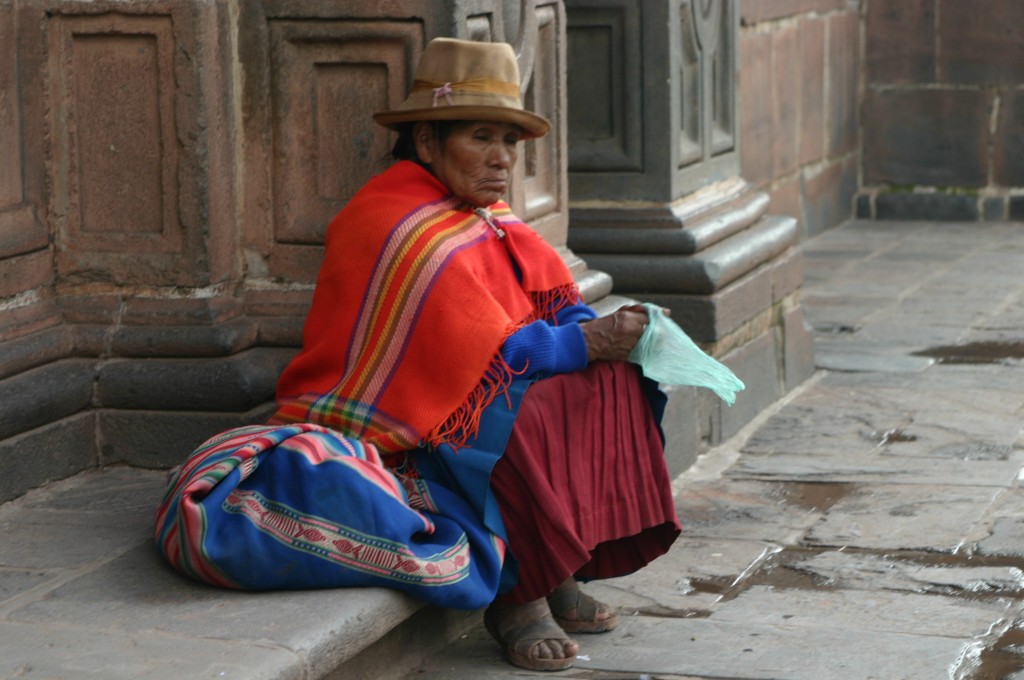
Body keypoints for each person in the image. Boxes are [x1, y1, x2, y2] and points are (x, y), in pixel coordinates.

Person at [156, 37, 680, 673]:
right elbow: (481, 357)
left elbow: (549, 304)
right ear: (428, 141)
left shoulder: (485, 215)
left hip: (469, 394)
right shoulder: (391, 222)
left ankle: (561, 562)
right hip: (408, 423)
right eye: (481, 137)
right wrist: (586, 341)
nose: (502, 158)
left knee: (613, 379)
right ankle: (519, 595)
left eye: (510, 141)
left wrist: (611, 332)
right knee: (521, 411)